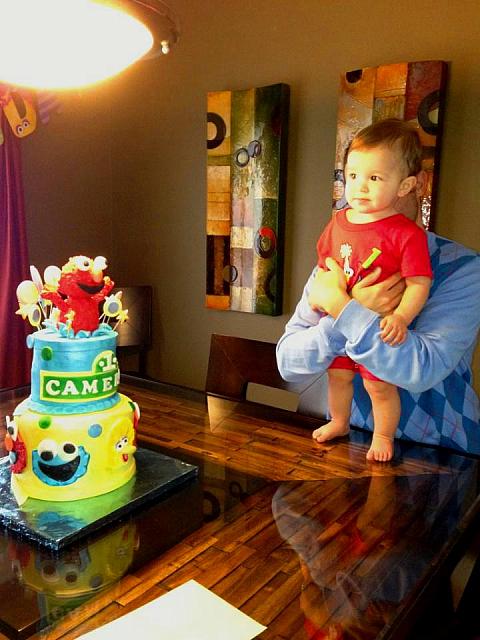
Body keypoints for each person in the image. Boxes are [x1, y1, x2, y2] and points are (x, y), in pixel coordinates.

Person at [276, 134, 480, 458]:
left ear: (415, 184)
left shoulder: (463, 268)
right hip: (346, 443)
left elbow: (420, 371)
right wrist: (345, 315)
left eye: (377, 179)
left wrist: (345, 308)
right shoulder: (340, 256)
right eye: (355, 177)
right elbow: (288, 363)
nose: (363, 193)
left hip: (440, 453)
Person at [308, 119, 433, 462]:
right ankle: (340, 422)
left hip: (378, 329)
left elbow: (420, 282)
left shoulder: (406, 234)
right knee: (337, 376)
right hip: (341, 325)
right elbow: (324, 269)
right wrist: (326, 300)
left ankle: (382, 435)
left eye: (374, 178)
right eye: (352, 176)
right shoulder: (338, 222)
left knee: (379, 386)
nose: (359, 187)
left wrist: (402, 316)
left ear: (406, 185)